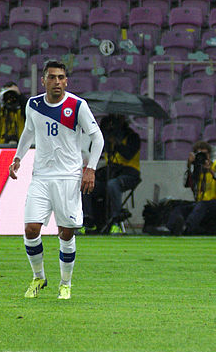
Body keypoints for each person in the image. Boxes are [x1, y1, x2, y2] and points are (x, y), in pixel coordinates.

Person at [8, 60, 104, 300]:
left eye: (61, 77)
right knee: (31, 229)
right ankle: (38, 277)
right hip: (40, 176)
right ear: (44, 81)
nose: (57, 82)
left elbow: (98, 138)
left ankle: (65, 283)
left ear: (66, 81)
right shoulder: (33, 104)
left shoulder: (77, 106)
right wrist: (18, 158)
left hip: (68, 177)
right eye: (52, 77)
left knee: (66, 233)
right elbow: (28, 132)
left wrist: (90, 168)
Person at [82, 113, 142, 234]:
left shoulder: (133, 137)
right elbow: (94, 150)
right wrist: (105, 141)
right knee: (87, 186)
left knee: (113, 185)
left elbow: (128, 154)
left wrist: (116, 143)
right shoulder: (107, 139)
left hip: (129, 173)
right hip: (111, 171)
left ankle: (116, 221)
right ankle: (88, 221)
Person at [166, 140, 216, 236]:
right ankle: (170, 228)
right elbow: (186, 184)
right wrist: (190, 165)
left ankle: (187, 229)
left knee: (202, 205)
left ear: (209, 154)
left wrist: (210, 170)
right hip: (202, 205)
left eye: (204, 154)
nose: (202, 157)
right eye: (199, 154)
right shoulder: (197, 169)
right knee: (179, 207)